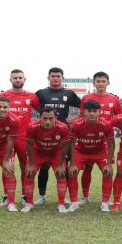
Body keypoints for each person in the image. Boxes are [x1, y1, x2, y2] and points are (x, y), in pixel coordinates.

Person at [34, 67, 81, 205]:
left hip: (63, 135)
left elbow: (83, 107)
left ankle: (63, 197)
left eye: (58, 76)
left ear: (62, 77)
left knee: (63, 166)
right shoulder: (41, 93)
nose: (55, 78)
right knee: (44, 167)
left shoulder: (69, 94)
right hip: (44, 134)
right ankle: (42, 196)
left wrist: (72, 120)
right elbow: (35, 106)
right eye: (53, 76)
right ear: (48, 77)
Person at [0, 69, 40, 207]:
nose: (18, 80)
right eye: (15, 78)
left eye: (20, 77)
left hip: (24, 138)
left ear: (24, 79)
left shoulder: (32, 96)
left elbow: (42, 113)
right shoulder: (2, 96)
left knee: (25, 167)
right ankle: (7, 195)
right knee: (7, 166)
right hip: (6, 137)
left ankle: (25, 195)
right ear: (10, 79)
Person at [78, 71, 122, 204]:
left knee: (107, 169)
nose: (101, 84)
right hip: (88, 140)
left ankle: (106, 199)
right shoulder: (86, 98)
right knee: (87, 168)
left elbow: (120, 118)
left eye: (103, 81)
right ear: (94, 83)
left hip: (106, 140)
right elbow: (81, 116)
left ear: (108, 83)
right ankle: (85, 197)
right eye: (98, 81)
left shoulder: (114, 99)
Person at [68, 100, 116, 212]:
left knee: (108, 172)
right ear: (84, 112)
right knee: (72, 172)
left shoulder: (106, 125)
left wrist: (109, 163)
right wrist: (72, 163)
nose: (92, 114)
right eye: (89, 111)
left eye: (95, 111)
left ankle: (104, 203)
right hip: (81, 151)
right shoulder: (77, 124)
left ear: (99, 112)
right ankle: (75, 202)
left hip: (99, 151)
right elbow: (71, 143)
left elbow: (111, 143)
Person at [22, 108, 71, 213]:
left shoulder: (63, 127)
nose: (47, 121)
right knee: (29, 173)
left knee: (60, 173)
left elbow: (65, 147)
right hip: (38, 152)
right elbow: (29, 146)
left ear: (55, 118)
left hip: (56, 153)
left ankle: (61, 204)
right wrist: (30, 164)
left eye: (50, 118)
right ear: (40, 118)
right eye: (44, 118)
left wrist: (61, 164)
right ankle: (29, 203)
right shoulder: (32, 127)